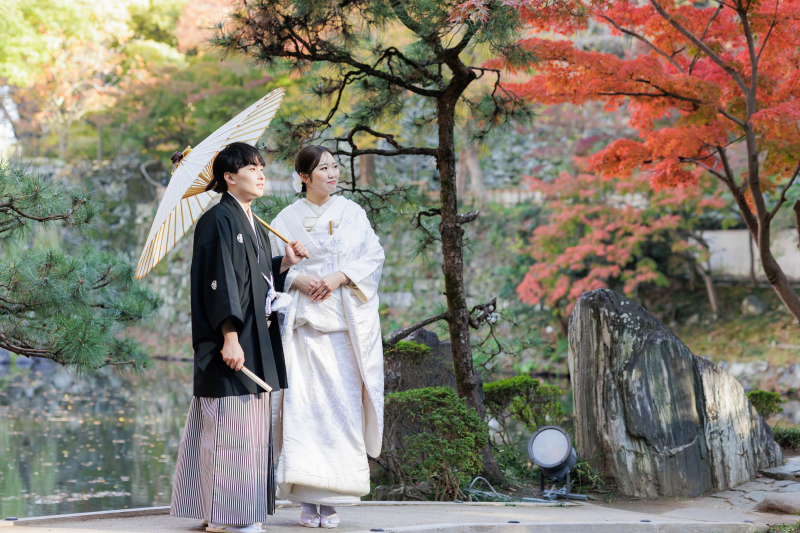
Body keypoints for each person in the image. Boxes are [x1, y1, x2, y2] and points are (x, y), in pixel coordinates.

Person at [170, 142, 307, 533]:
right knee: (227, 428)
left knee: (246, 430)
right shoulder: (217, 220)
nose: (261, 173)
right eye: (251, 168)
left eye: (262, 167)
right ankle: (232, 515)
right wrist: (229, 336)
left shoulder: (250, 220)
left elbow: (257, 278)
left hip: (254, 339)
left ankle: (229, 511)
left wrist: (284, 263)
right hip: (231, 341)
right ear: (229, 177)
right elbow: (219, 284)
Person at [267, 145, 385, 528]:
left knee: (341, 410)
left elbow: (373, 256)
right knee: (303, 410)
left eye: (335, 167)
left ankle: (333, 499)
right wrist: (294, 277)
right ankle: (305, 499)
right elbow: (268, 271)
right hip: (302, 329)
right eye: (323, 169)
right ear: (304, 177)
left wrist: (339, 277)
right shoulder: (285, 219)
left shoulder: (352, 213)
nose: (333, 174)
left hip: (341, 328)